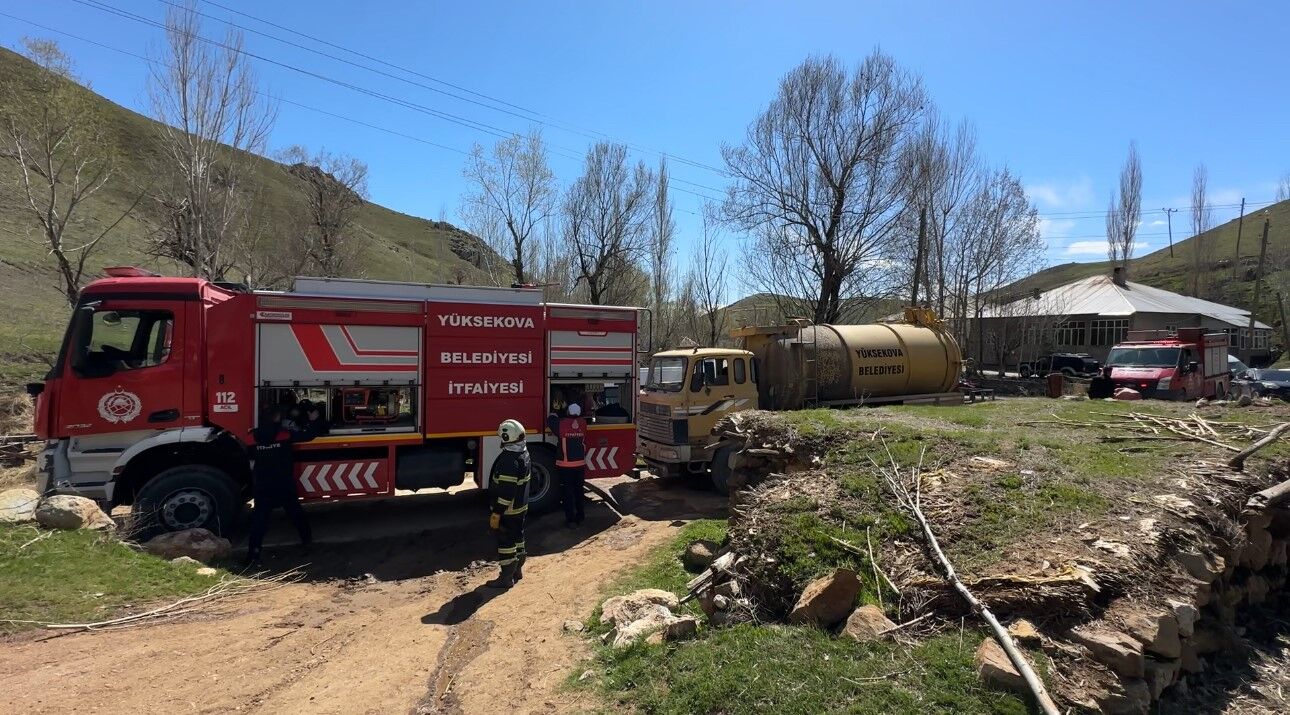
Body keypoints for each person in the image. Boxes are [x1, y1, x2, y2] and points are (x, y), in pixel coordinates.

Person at [244, 405, 319, 566]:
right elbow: (309, 435)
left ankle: (253, 554)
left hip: (263, 485)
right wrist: (313, 420)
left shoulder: (251, 437)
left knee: (259, 521)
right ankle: (307, 542)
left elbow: (250, 458)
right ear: (277, 418)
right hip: (283, 483)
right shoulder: (284, 435)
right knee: (296, 514)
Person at [486, 419, 531, 589]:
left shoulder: (508, 460)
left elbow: (506, 492)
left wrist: (497, 512)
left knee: (505, 542)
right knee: (518, 536)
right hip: (521, 507)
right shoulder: (524, 453)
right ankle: (517, 571)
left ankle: (506, 577)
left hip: (509, 510)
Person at [549, 402, 587, 528]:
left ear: (568, 413)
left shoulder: (562, 424)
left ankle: (571, 520)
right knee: (579, 491)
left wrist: (555, 411)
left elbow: (551, 419)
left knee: (568, 492)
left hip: (565, 466)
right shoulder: (582, 423)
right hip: (580, 464)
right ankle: (581, 516)